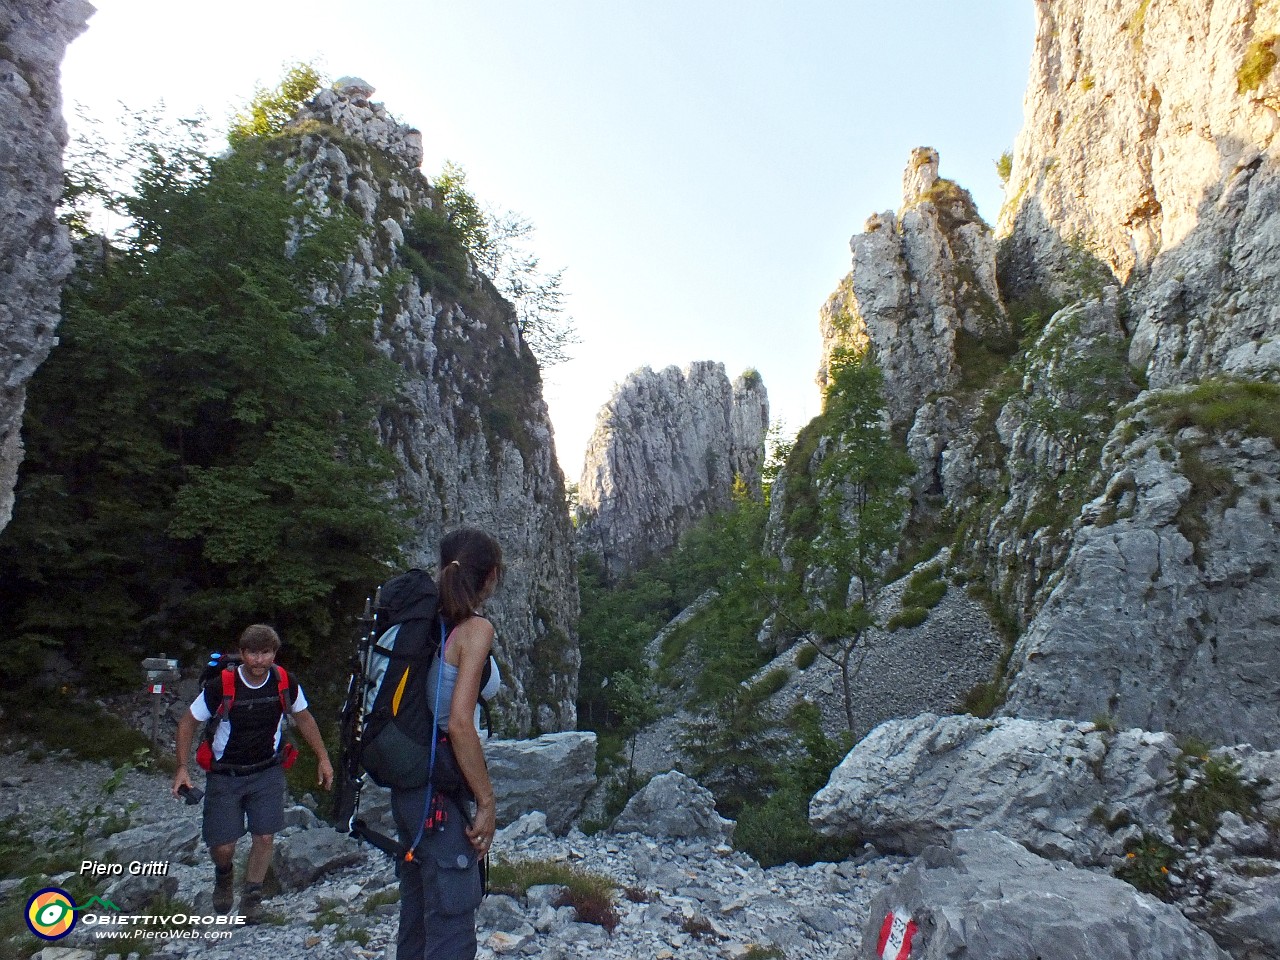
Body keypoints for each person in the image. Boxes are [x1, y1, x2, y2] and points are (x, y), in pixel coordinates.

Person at [172, 624, 334, 920]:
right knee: (223, 846)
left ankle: (252, 897)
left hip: (267, 770)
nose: (259, 660)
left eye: (266, 653)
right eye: (253, 653)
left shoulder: (285, 682)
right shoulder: (222, 685)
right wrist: (182, 768)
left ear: (274, 653)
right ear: (243, 653)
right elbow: (187, 723)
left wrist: (323, 758)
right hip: (225, 773)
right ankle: (224, 874)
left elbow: (305, 719)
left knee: (265, 837)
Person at [393, 528, 503, 960]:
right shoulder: (474, 629)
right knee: (453, 921)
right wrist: (486, 801)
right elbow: (459, 723)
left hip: (410, 787)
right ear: (491, 577)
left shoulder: (430, 624)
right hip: (438, 796)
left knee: (419, 912)